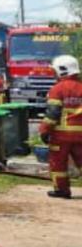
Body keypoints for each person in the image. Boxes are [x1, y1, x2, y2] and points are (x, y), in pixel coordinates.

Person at [39, 54, 82, 199]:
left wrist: (44, 131)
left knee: (58, 164)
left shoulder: (57, 89)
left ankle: (62, 190)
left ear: (62, 70)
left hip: (60, 136)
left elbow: (53, 113)